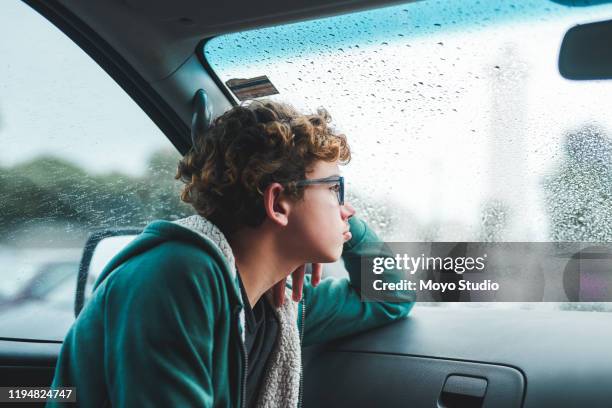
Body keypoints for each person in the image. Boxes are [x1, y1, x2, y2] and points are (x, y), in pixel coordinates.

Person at [48, 100, 415, 407]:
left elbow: (391, 296)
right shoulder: (175, 275)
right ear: (278, 203)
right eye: (335, 188)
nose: (346, 207)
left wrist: (345, 233)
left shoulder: (278, 308)